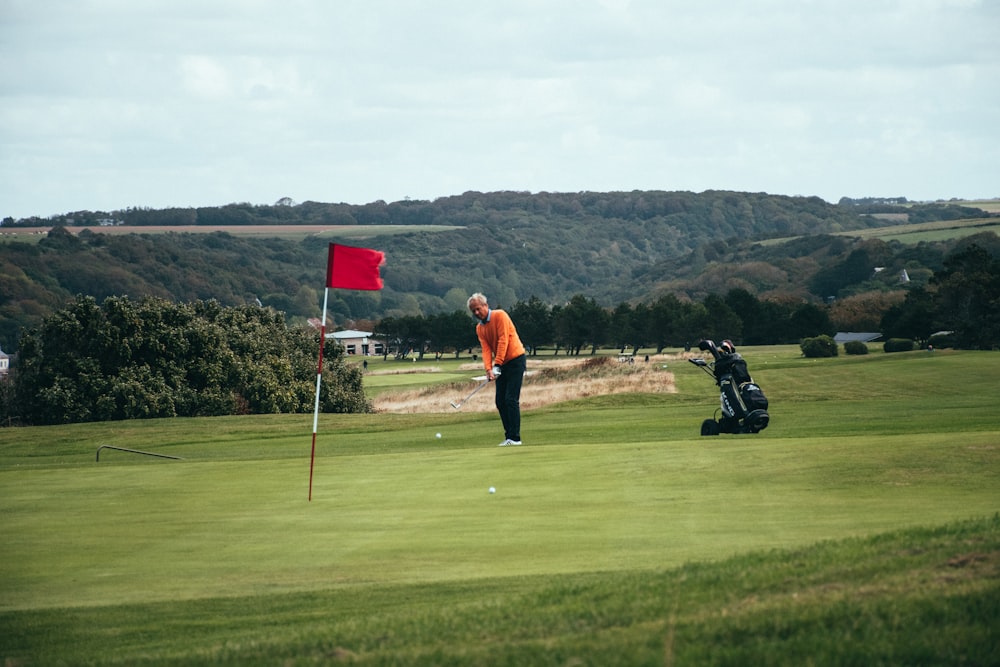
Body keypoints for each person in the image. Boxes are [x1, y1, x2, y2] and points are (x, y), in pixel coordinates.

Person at [467, 292, 527, 446]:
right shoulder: (480, 328)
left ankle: (515, 438)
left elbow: (503, 340)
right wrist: (488, 369)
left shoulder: (500, 316)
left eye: (478, 309)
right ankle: (509, 437)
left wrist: (497, 364)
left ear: (486, 306)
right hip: (501, 364)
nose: (476, 313)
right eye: (473, 311)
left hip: (515, 359)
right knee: (500, 401)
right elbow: (486, 349)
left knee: (510, 399)